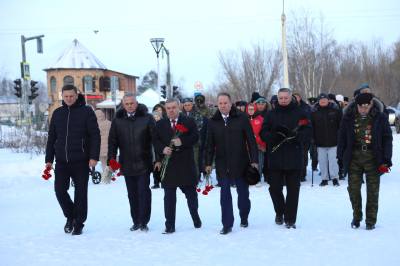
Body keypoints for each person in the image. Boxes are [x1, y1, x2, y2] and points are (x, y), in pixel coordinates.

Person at [45, 84, 100, 235]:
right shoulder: (57, 113)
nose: (69, 99)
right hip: (62, 161)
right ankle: (70, 216)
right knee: (59, 191)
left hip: (81, 160)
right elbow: (52, 138)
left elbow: (95, 135)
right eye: (66, 96)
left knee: (81, 193)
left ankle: (79, 222)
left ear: (77, 95)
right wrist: (49, 159)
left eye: (71, 96)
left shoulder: (86, 112)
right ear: (62, 96)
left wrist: (94, 157)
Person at [205, 92, 258, 235]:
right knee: (225, 195)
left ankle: (244, 216)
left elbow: (251, 141)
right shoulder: (213, 121)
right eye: (220, 103)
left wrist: (254, 161)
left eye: (225, 103)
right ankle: (227, 224)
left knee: (243, 194)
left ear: (231, 103)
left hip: (241, 163)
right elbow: (209, 145)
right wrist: (208, 163)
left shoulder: (242, 118)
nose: (223, 105)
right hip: (223, 164)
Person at [337, 93, 392, 230]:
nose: (363, 109)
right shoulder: (348, 117)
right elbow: (342, 138)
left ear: (371, 104)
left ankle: (370, 220)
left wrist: (386, 159)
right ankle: (357, 216)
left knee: (372, 191)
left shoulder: (380, 117)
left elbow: (387, 139)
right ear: (357, 105)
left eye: (366, 107)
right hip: (354, 157)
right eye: (361, 107)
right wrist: (340, 157)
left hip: (373, 157)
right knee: (354, 190)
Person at [260, 88, 311, 229]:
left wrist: (296, 137)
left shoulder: (300, 112)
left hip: (294, 157)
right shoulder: (271, 114)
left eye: (286, 98)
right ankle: (280, 211)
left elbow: (307, 130)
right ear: (277, 98)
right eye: (281, 98)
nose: (283, 100)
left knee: (293, 190)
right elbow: (263, 132)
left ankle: (290, 219)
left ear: (291, 98)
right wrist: (273, 136)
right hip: (275, 157)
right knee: (275, 188)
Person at [153, 98, 202, 234]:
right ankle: (169, 225)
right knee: (169, 197)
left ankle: (195, 216)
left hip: (186, 165)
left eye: (173, 107)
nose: (171, 110)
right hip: (169, 167)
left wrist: (183, 141)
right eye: (168, 108)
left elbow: (196, 137)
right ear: (165, 109)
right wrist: (162, 149)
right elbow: (155, 141)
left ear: (178, 107)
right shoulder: (160, 124)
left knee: (191, 196)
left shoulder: (188, 121)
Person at [108, 93, 155, 232]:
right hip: (126, 163)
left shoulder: (147, 118)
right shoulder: (118, 120)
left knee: (143, 193)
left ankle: (144, 221)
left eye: (132, 103)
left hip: (144, 162)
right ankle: (136, 221)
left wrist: (157, 159)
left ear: (137, 103)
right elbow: (112, 141)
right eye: (127, 104)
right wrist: (112, 159)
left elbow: (155, 140)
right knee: (132, 194)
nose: (129, 106)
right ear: (123, 104)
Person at [311, 93, 342, 186]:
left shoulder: (335, 110)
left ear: (328, 100)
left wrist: (340, 137)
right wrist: (312, 138)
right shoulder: (314, 112)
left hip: (334, 141)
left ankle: (335, 178)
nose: (323, 101)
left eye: (324, 99)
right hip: (320, 142)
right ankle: (324, 179)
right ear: (318, 101)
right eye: (320, 100)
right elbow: (312, 126)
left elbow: (340, 125)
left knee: (333, 162)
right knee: (322, 161)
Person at [293, 91, 312, 182]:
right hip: (293, 136)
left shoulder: (306, 107)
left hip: (304, 135)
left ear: (300, 98)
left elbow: (309, 120)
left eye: (297, 97)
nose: (296, 99)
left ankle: (302, 174)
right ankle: (295, 173)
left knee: (303, 155)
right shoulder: (291, 107)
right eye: (294, 97)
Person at [95, 109, 112, 183]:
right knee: (109, 161)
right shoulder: (109, 123)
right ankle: (109, 175)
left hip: (100, 146)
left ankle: (105, 177)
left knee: (103, 162)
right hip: (109, 145)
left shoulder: (96, 125)